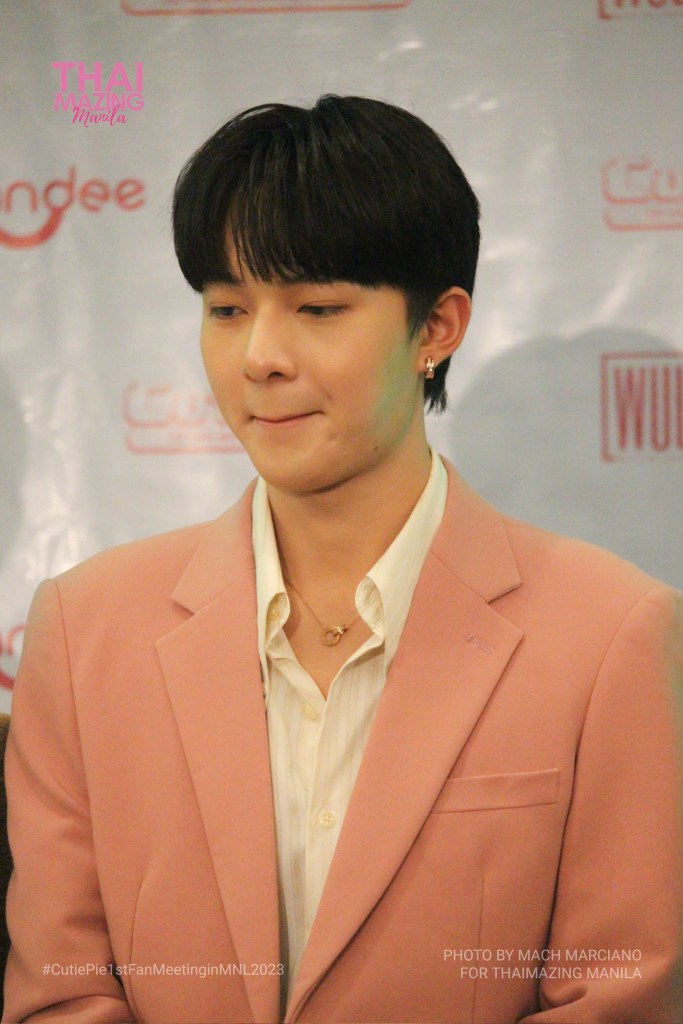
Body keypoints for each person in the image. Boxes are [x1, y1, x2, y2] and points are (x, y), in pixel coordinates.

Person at [3, 95, 682, 1024]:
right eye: (227, 308)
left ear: (436, 328)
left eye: (317, 308)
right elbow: (61, 992)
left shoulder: (609, 632)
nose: (260, 356)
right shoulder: (86, 627)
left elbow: (618, 998)